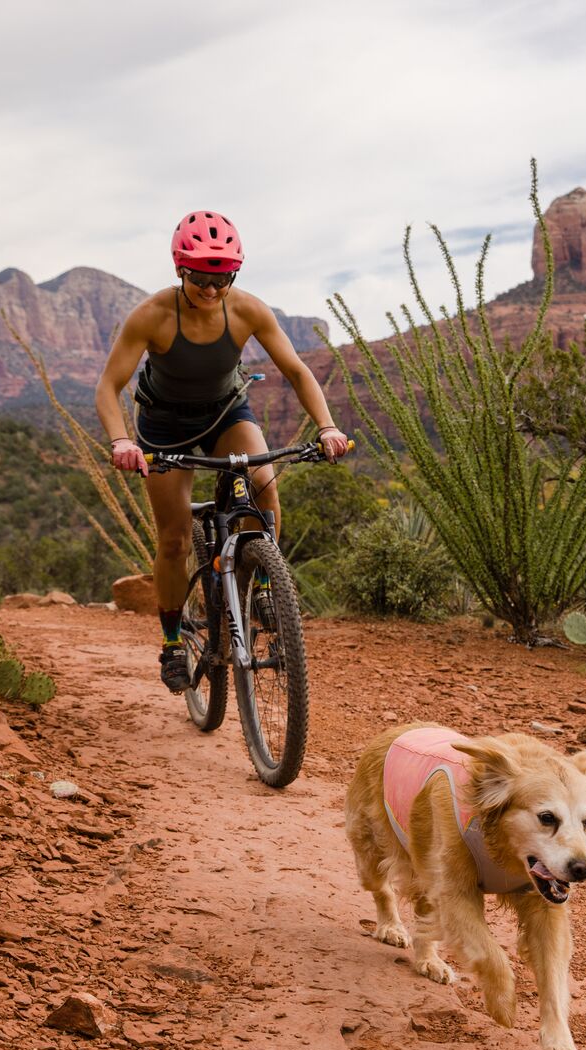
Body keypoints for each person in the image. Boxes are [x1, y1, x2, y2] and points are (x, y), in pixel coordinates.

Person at [95, 209, 351, 692]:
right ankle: (172, 641)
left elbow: (296, 370)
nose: (212, 290)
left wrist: (328, 426)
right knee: (172, 539)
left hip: (225, 413)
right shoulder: (151, 316)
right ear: (180, 270)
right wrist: (121, 440)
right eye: (200, 279)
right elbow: (109, 386)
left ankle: (266, 587)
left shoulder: (248, 309)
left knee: (263, 484)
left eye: (222, 278)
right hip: (163, 425)